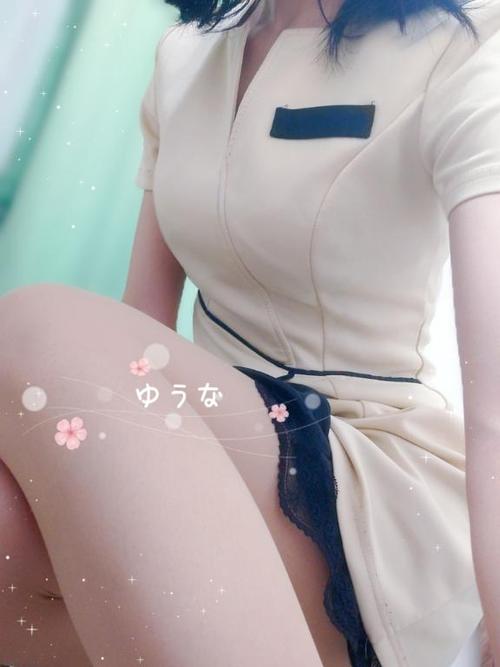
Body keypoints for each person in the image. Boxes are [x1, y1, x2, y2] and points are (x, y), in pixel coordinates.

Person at [0, 0, 499, 664]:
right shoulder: (186, 56)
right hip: (205, 435)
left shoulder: (466, 46)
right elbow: (135, 334)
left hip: (364, 478)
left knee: (36, 326)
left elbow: (493, 410)